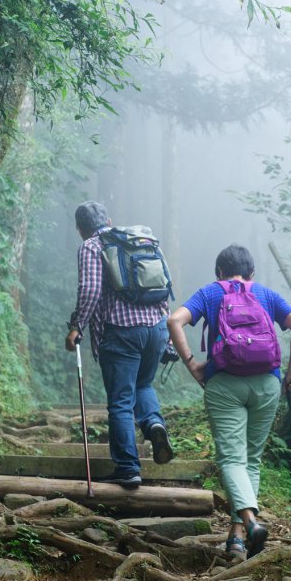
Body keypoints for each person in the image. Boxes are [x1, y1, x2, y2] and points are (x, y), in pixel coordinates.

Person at [167, 244, 291, 559]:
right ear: (251, 273)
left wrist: (192, 364)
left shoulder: (210, 293)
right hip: (267, 384)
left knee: (232, 460)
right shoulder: (266, 294)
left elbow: (174, 321)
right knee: (250, 460)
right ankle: (237, 538)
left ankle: (250, 524)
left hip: (224, 384)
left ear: (218, 272)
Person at [65, 201, 174, 487]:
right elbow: (164, 286)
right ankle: (153, 424)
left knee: (121, 402)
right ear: (109, 220)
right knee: (143, 385)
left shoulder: (91, 246)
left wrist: (78, 326)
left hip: (121, 333)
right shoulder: (142, 241)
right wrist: (170, 333)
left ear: (80, 229)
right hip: (157, 328)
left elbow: (90, 289)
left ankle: (128, 467)